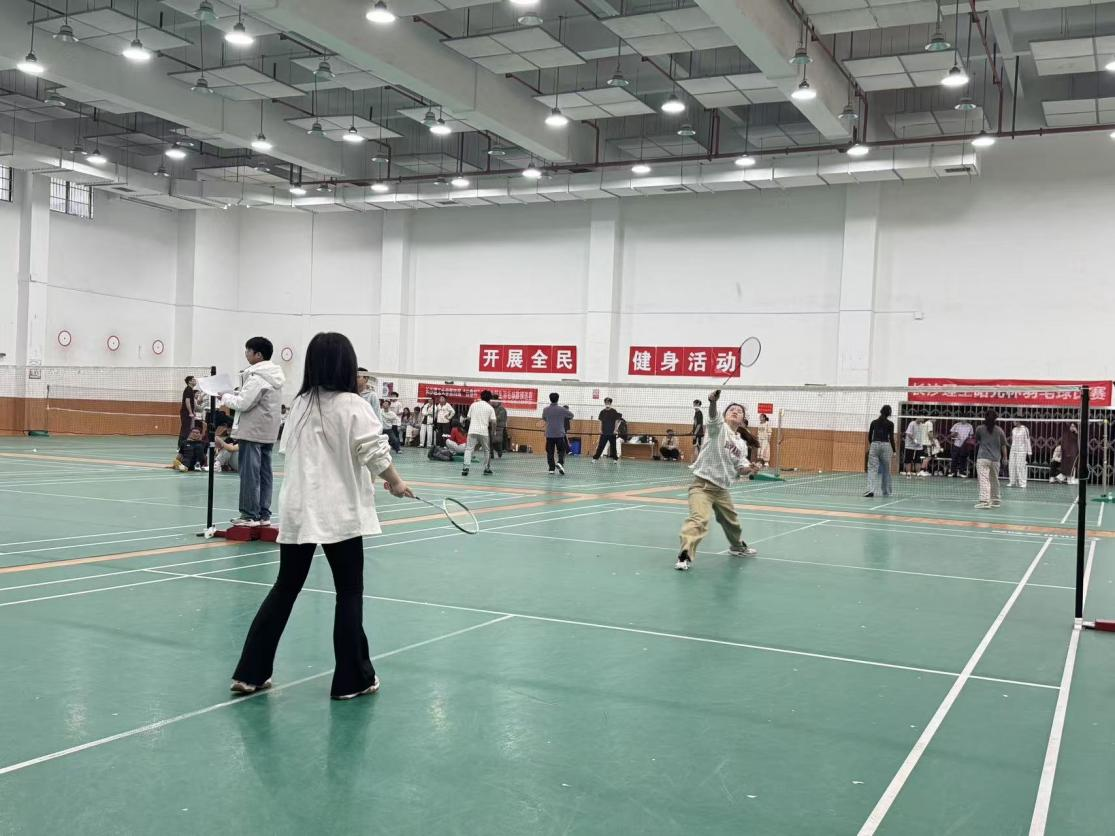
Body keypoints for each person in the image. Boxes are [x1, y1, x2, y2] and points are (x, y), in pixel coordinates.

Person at [230, 331, 412, 701]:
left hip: (298, 510)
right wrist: (395, 481)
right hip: (338, 514)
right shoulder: (353, 405)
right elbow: (374, 452)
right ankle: (352, 680)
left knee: (284, 588)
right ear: (346, 365)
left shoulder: (299, 405)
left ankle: (251, 673)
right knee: (349, 592)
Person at [674, 390, 760, 571]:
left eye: (739, 411)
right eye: (731, 409)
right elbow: (713, 416)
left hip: (721, 490)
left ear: (743, 420)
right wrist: (712, 402)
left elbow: (741, 468)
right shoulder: (718, 428)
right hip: (702, 486)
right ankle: (685, 554)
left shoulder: (741, 444)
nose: (735, 411)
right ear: (725, 415)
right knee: (699, 519)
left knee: (732, 522)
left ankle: (737, 547)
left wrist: (750, 468)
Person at [220, 337, 285, 527]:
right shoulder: (273, 375)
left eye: (248, 350)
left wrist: (225, 397)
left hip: (252, 432)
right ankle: (263, 514)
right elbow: (250, 397)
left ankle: (249, 515)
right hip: (267, 432)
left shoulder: (258, 377)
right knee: (265, 473)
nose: (246, 354)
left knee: (250, 474)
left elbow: (243, 403)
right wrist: (233, 394)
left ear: (258, 355)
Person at [974, 409, 1009, 510]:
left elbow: (977, 440)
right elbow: (1003, 445)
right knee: (994, 480)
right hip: (996, 459)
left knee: (984, 480)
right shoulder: (1000, 430)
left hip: (983, 458)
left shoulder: (979, 429)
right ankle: (996, 500)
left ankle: (985, 501)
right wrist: (1005, 458)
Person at [864, 405, 895, 498]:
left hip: (874, 444)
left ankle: (870, 490)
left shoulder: (874, 422)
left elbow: (870, 436)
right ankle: (887, 492)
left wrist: (873, 445)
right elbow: (891, 438)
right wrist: (894, 450)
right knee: (886, 470)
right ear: (889, 413)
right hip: (886, 446)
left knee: (872, 469)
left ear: (881, 411)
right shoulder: (890, 424)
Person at [462, 390, 496, 477]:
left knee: (468, 449)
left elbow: (468, 418)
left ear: (481, 396)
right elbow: (494, 422)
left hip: (472, 430)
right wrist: (493, 432)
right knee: (486, 450)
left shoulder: (473, 405)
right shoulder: (490, 408)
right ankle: (486, 469)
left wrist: (474, 421)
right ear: (490, 399)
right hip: (484, 432)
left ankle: (466, 467)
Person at [542, 393, 574, 475]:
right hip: (559, 434)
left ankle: (551, 469)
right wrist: (563, 417)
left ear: (550, 399)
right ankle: (560, 462)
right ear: (558, 399)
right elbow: (571, 415)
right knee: (562, 450)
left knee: (550, 452)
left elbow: (544, 418)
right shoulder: (562, 409)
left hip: (549, 434)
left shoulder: (545, 409)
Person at [593, 398, 620, 462]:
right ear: (605, 403)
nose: (607, 404)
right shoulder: (602, 412)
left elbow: (616, 421)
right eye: (606, 402)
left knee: (613, 446)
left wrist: (615, 430)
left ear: (610, 403)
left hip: (612, 433)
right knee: (600, 446)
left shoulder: (614, 411)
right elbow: (600, 421)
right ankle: (595, 458)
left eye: (608, 402)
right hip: (604, 432)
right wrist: (600, 430)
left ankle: (615, 459)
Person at [1008, 422, 1032, 488]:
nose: (1013, 422)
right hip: (1013, 450)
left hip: (1022, 451)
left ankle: (1022, 483)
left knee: (1020, 466)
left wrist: (1029, 452)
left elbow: (1027, 440)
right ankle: (1012, 481)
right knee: (1012, 466)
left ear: (1018, 421)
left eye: (1014, 421)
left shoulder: (1025, 429)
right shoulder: (1014, 429)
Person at [178, 376, 197, 447]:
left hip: (188, 412)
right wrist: (190, 412)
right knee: (185, 430)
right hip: (185, 413)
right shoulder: (188, 389)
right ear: (189, 382)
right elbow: (187, 401)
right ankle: (181, 446)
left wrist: (193, 411)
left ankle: (183, 445)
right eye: (193, 380)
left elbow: (191, 403)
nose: (195, 381)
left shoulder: (191, 389)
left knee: (187, 429)